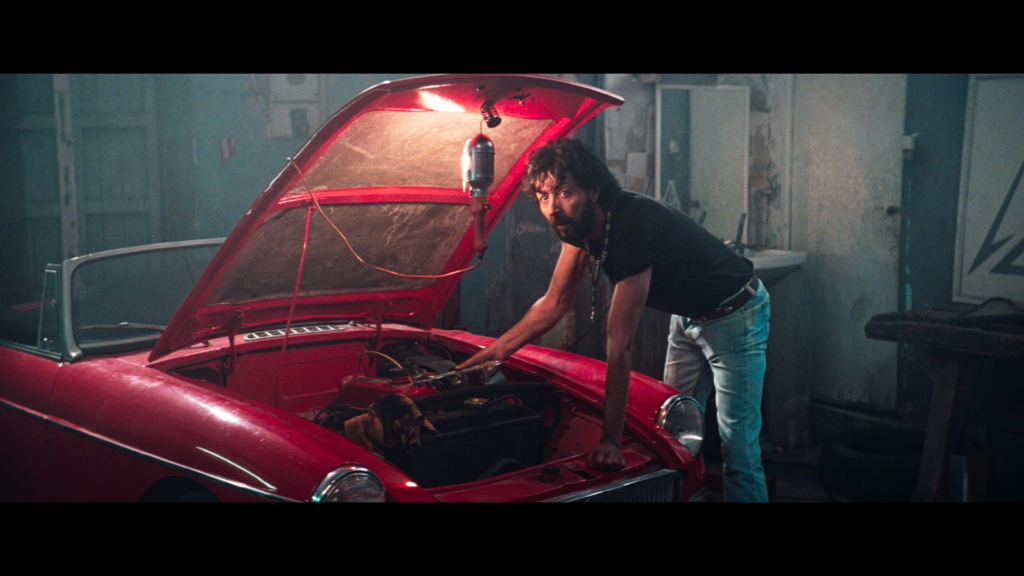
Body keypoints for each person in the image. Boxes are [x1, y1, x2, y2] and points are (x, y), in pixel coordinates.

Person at [457, 138, 770, 502]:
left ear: (593, 190)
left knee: (737, 450)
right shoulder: (578, 226)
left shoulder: (632, 225)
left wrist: (610, 442)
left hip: (735, 315)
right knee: (671, 436)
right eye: (543, 196)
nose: (553, 208)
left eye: (564, 193)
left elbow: (620, 343)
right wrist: (488, 357)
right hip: (688, 318)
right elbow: (554, 303)